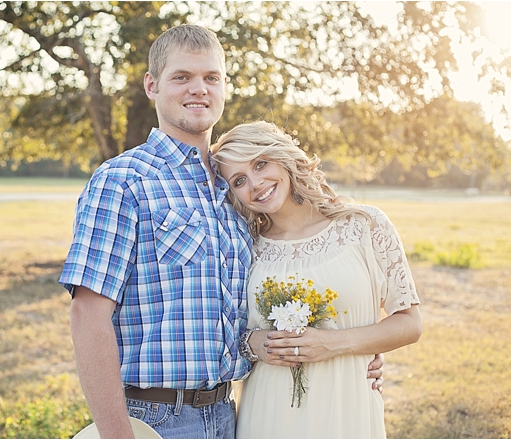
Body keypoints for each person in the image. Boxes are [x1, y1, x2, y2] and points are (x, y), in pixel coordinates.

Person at [59, 24, 384, 439]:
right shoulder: (123, 180)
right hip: (154, 419)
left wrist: (356, 354)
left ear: (224, 86)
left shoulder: (236, 191)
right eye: (182, 77)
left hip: (232, 414)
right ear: (152, 85)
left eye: (211, 77)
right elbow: (88, 315)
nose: (199, 89)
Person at [211, 120, 422, 439]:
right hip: (268, 411)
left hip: (345, 406)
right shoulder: (243, 245)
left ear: (282, 157)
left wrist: (336, 344)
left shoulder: (364, 225)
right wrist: (254, 343)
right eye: (240, 180)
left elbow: (409, 323)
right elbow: (225, 329)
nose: (256, 183)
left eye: (261, 163)